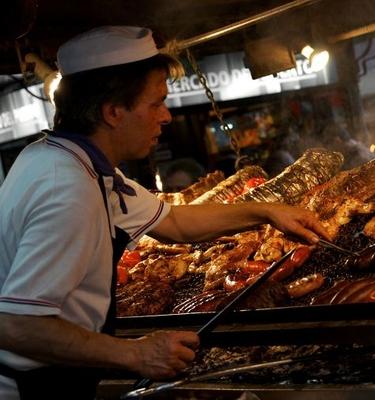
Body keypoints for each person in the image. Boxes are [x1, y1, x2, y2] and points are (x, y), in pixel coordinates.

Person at [0, 26, 329, 400]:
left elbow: (174, 222)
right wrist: (136, 352)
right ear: (113, 111)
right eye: (156, 103)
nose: (167, 116)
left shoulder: (62, 159)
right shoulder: (67, 188)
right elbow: (15, 324)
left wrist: (266, 211)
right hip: (27, 389)